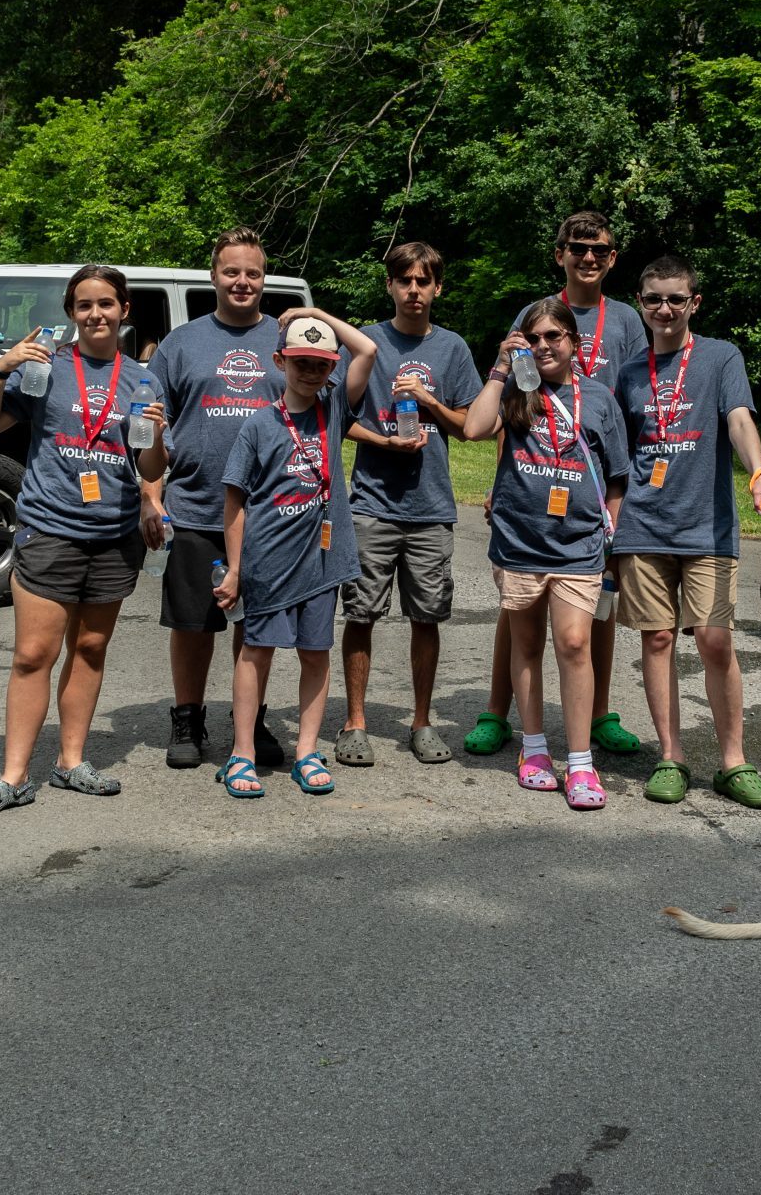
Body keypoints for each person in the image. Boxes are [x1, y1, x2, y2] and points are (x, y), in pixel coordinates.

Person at [0, 265, 168, 817]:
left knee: (91, 648)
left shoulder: (142, 378)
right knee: (33, 654)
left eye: (106, 304)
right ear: (71, 312)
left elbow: (148, 464)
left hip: (113, 533)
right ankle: (13, 776)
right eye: (83, 305)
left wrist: (155, 443)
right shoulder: (45, 367)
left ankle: (71, 762)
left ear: (124, 310)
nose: (95, 314)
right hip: (50, 528)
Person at [466, 211, 649, 759]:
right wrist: (503, 480)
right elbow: (517, 405)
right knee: (518, 607)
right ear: (560, 254)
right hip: (533, 473)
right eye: (577, 248)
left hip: (592, 471)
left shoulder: (625, 322)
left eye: (599, 250)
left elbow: (634, 401)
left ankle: (597, 715)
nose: (587, 258)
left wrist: (621, 496)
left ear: (612, 258)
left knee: (599, 601)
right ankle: (498, 711)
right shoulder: (536, 314)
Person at [611, 255, 761, 809]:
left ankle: (732, 761)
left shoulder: (719, 357)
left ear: (694, 303)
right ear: (640, 302)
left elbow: (738, 417)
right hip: (642, 526)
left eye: (675, 299)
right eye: (653, 299)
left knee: (714, 639)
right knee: (657, 639)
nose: (664, 309)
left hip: (706, 527)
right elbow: (614, 448)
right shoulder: (629, 370)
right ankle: (671, 756)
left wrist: (758, 471)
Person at [464, 299, 629, 810]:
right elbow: (472, 429)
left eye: (553, 336)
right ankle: (533, 750)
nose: (543, 346)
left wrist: (612, 534)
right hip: (520, 541)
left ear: (574, 344)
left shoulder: (599, 398)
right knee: (526, 643)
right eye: (532, 338)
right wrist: (499, 368)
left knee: (575, 643)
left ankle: (580, 762)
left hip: (579, 543)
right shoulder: (515, 392)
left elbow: (618, 476)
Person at [212, 309, 378, 797]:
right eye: (300, 361)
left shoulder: (335, 412)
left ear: (331, 368)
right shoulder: (260, 424)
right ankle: (242, 752)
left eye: (321, 363)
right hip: (268, 561)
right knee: (255, 651)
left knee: (314, 653)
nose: (311, 371)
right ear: (279, 361)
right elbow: (234, 503)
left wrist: (312, 314)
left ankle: (307, 750)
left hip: (321, 563)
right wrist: (236, 570)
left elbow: (366, 350)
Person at [142, 228, 288, 771]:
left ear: (263, 278)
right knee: (193, 623)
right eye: (232, 271)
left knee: (258, 626)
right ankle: (187, 717)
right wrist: (150, 495)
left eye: (252, 272)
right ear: (213, 276)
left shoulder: (285, 338)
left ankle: (248, 721)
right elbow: (151, 424)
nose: (242, 282)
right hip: (197, 505)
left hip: (271, 511)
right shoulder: (182, 342)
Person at [336, 242, 483, 766]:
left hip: (431, 508)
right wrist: (383, 441)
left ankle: (421, 723)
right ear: (391, 286)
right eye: (405, 281)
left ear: (437, 288)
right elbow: (337, 420)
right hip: (372, 504)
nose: (414, 290)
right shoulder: (368, 344)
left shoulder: (453, 349)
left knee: (427, 618)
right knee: (361, 614)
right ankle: (355, 723)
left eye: (423, 282)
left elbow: (469, 428)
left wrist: (428, 402)